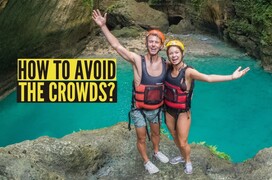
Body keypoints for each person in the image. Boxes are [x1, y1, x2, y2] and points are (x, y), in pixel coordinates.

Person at [92, 9, 169, 174]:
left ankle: (156, 151)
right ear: (146, 44)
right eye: (151, 42)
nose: (153, 44)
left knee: (156, 134)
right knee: (141, 137)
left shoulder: (166, 64)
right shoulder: (137, 60)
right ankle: (147, 161)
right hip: (139, 109)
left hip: (156, 109)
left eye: (157, 42)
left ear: (162, 45)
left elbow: (181, 75)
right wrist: (103, 26)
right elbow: (116, 46)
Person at [164, 40, 250, 174]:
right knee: (174, 136)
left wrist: (232, 77)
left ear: (182, 53)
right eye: (171, 53)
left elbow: (209, 78)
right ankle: (181, 156)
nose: (174, 55)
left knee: (182, 141)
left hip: (182, 112)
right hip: (168, 110)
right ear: (168, 55)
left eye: (176, 52)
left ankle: (187, 161)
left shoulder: (188, 72)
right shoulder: (168, 66)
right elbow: (152, 64)